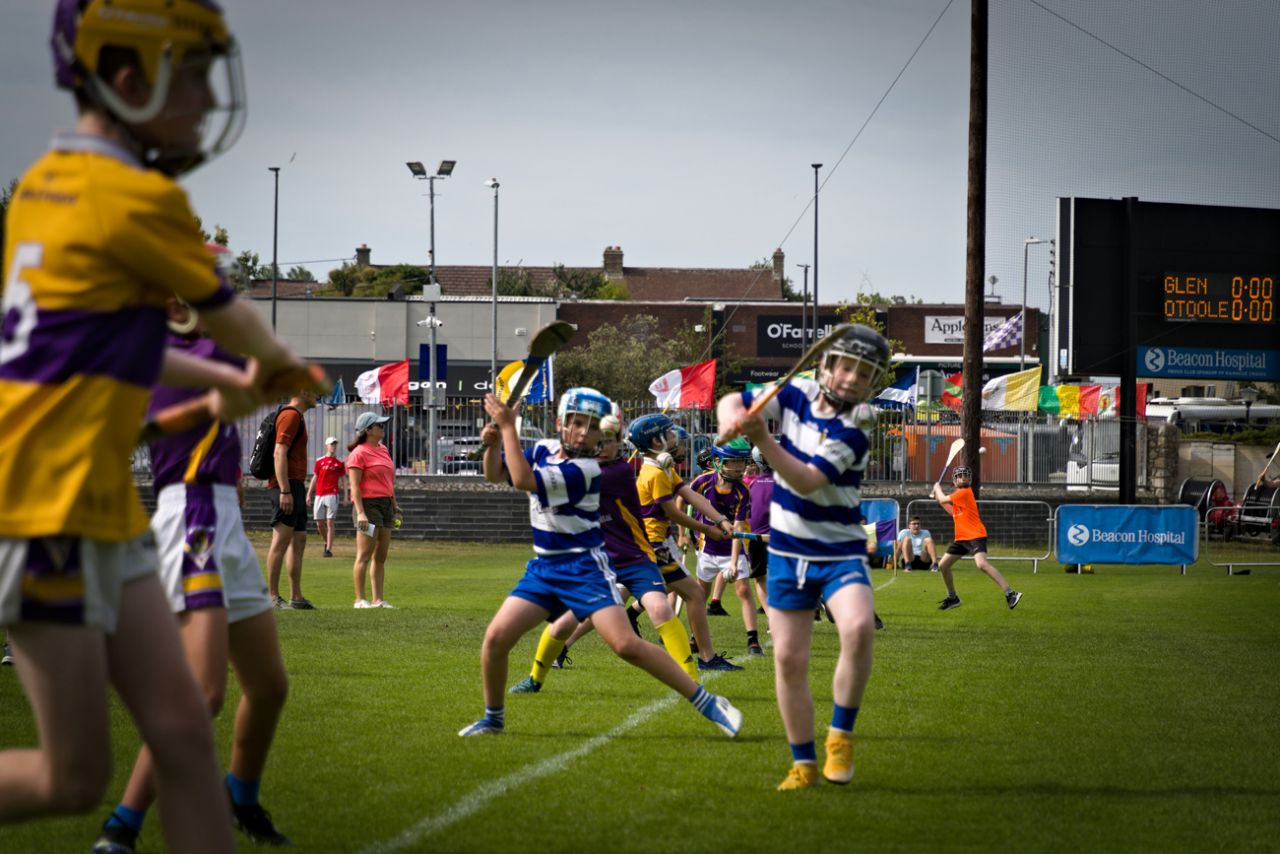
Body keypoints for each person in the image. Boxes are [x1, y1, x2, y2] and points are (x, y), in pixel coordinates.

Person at [0, 1, 307, 846]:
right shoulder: (135, 195)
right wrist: (269, 371)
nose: (211, 100)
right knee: (78, 770)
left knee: (180, 726)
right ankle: (125, 824)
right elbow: (242, 329)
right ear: (131, 80)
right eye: (196, 76)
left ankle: (191, 811)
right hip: (61, 505)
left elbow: (106, 358)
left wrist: (233, 376)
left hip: (105, 507)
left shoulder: (44, 188)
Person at [93, 300, 291, 852]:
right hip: (195, 518)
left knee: (269, 686)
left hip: (221, 515)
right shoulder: (173, 356)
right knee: (202, 693)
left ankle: (240, 798)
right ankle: (121, 827)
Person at [460, 389, 742, 738]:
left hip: (586, 571)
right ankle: (493, 717)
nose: (582, 431)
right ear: (560, 423)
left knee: (625, 645)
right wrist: (492, 445)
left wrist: (507, 428)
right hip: (545, 568)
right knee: (496, 640)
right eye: (576, 423)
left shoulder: (587, 470)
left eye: (591, 427)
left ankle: (706, 701)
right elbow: (496, 474)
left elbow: (522, 480)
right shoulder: (545, 450)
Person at [716, 324, 890, 791]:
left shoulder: (858, 425)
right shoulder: (796, 392)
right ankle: (803, 764)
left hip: (838, 551)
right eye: (847, 367)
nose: (853, 379)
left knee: (856, 628)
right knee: (789, 660)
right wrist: (729, 419)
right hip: (788, 553)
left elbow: (807, 480)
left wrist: (762, 440)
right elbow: (733, 399)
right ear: (828, 366)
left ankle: (840, 738)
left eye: (865, 373)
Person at [509, 411, 699, 693]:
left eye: (607, 441)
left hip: (635, 558)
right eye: (598, 441)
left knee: (659, 608)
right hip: (595, 564)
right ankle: (535, 678)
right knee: (562, 625)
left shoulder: (617, 472)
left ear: (618, 444)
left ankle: (692, 681)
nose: (601, 447)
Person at [629, 413, 743, 672]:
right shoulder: (655, 473)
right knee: (693, 594)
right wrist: (708, 530)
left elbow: (690, 494)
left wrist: (721, 520)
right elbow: (673, 512)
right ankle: (705, 657)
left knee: (684, 594)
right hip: (654, 545)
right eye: (669, 433)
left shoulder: (664, 468)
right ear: (657, 442)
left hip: (658, 544)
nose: (675, 436)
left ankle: (705, 656)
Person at [688, 440, 762, 657]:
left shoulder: (743, 491)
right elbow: (682, 499)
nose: (740, 467)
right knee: (701, 593)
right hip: (707, 548)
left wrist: (732, 562)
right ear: (718, 462)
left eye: (742, 462)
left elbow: (738, 528)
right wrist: (684, 533)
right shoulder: (702, 481)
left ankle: (753, 640)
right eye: (734, 462)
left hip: (732, 548)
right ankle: (695, 637)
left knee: (743, 590)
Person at [932, 467, 1022, 611]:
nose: (964, 478)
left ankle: (1010, 593)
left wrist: (937, 489)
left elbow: (943, 498)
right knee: (943, 566)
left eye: (966, 476)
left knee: (981, 564)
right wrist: (938, 498)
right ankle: (952, 598)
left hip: (975, 535)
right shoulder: (958, 496)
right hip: (961, 538)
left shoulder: (964, 493)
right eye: (960, 476)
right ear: (955, 481)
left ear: (970, 479)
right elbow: (950, 510)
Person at [266, 388, 318, 609]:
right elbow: (279, 452)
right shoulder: (290, 415)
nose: (317, 395)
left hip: (294, 484)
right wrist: (285, 490)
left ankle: (296, 596)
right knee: (281, 541)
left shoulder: (297, 417)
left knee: (299, 540)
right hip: (285, 485)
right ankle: (272, 596)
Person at [348, 412, 401, 609]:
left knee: (381, 555)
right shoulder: (358, 453)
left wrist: (395, 507)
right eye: (378, 425)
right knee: (364, 554)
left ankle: (378, 599)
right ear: (368, 430)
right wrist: (360, 512)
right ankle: (360, 599)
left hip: (385, 505)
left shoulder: (384, 449)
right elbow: (354, 487)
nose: (382, 427)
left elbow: (389, 482)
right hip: (368, 506)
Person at [307, 436, 346, 558]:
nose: (333, 446)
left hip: (332, 494)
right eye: (331, 444)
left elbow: (344, 480)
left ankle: (328, 549)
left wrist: (346, 496)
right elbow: (314, 478)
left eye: (335, 444)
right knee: (319, 523)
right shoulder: (319, 461)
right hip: (319, 494)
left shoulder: (339, 463)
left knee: (330, 522)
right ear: (327, 446)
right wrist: (308, 494)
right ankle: (326, 542)